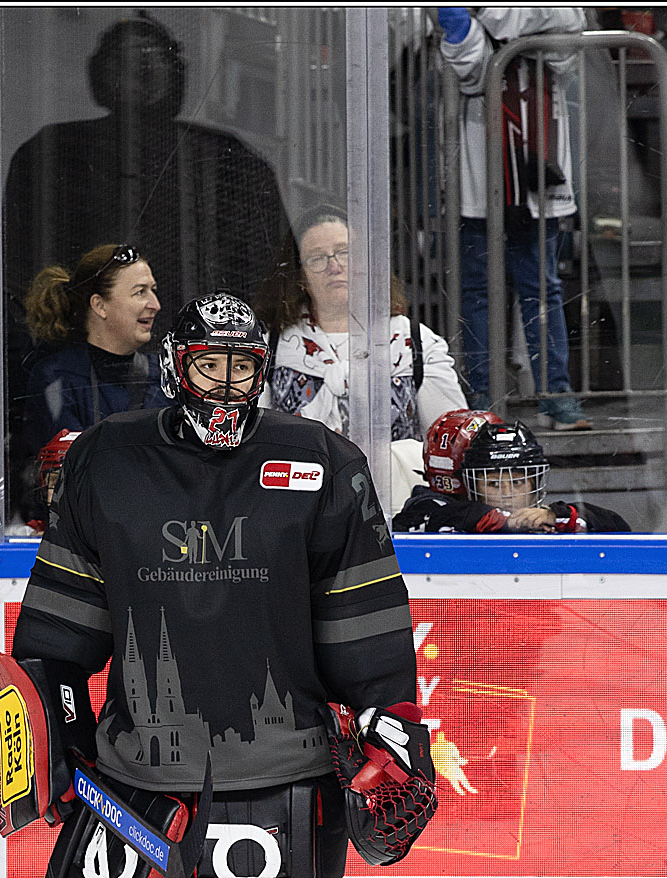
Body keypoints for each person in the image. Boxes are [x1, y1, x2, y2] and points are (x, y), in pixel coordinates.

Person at [0, 293, 436, 878]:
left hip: (275, 762)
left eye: (243, 366)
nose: (228, 384)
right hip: (133, 765)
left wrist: (391, 723)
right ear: (176, 365)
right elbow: (64, 615)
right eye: (210, 365)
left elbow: (361, 616)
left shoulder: (319, 461)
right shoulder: (109, 459)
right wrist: (45, 715)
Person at [5, 16, 289, 323]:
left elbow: (267, 269)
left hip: (198, 345)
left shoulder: (225, 158)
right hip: (86, 341)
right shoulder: (55, 153)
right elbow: (25, 270)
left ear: (176, 73)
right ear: (101, 73)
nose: (142, 71)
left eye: (152, 58)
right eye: (126, 61)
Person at [437, 7, 593, 431]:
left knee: (542, 288)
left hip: (539, 174)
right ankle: (480, 402)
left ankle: (556, 397)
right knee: (478, 291)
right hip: (478, 177)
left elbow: (565, 26)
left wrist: (493, 23)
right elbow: (470, 66)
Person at [255, 206, 466, 499]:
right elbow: (252, 446)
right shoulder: (271, 348)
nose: (334, 266)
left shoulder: (414, 343)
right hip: (299, 515)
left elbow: (453, 445)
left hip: (396, 511)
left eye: (345, 252)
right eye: (317, 258)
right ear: (300, 276)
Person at [393, 409, 632, 532]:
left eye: (517, 481)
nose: (507, 493)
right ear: (468, 478)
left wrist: (557, 516)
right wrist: (506, 522)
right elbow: (439, 516)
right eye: (494, 482)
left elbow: (618, 528)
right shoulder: (431, 511)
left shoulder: (544, 518)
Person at [22, 244, 165, 447]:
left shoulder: (166, 376)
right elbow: (66, 467)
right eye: (140, 292)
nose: (155, 305)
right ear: (99, 305)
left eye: (153, 290)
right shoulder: (57, 379)